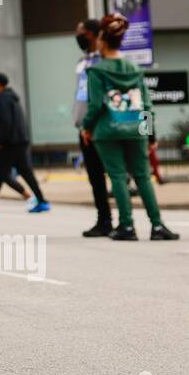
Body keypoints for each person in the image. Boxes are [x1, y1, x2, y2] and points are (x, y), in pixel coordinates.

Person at [81, 14, 179, 241]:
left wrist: (87, 128)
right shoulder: (135, 70)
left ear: (102, 41)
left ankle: (127, 226)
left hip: (107, 129)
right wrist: (149, 133)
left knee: (117, 176)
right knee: (143, 176)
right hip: (136, 128)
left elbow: (95, 106)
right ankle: (157, 226)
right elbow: (146, 104)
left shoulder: (96, 72)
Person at [0, 73, 49, 213]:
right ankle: (42, 201)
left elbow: (5, 122)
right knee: (23, 173)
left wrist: (1, 141)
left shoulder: (0, 98)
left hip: (9, 144)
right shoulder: (12, 98)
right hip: (19, 141)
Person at [73, 19, 113, 236]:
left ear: (92, 34)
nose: (77, 37)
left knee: (116, 174)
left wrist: (148, 133)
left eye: (81, 33)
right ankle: (104, 220)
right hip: (85, 126)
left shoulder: (104, 61)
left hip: (100, 126)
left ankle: (128, 221)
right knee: (95, 177)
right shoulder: (82, 62)